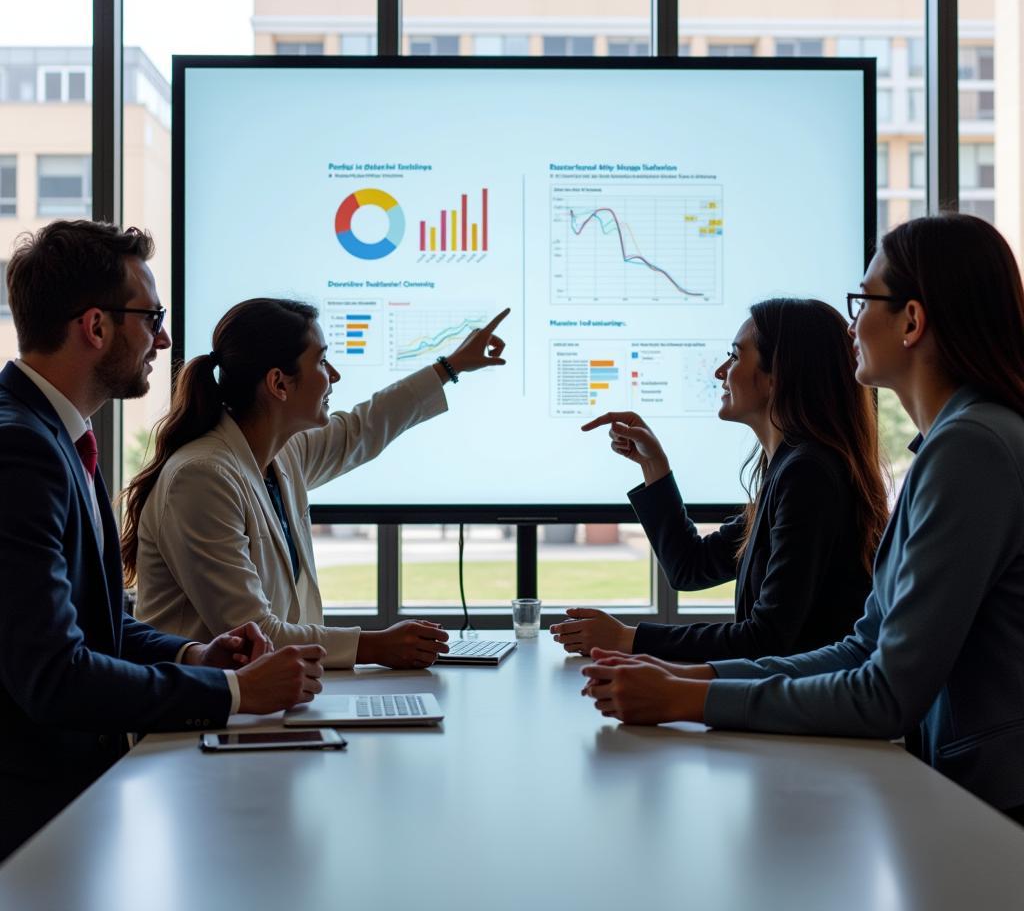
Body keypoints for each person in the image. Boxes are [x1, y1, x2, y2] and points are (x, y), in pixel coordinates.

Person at [582, 213, 1024, 822]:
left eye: (864, 300)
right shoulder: (951, 446)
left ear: (913, 321)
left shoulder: (969, 448)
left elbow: (885, 693)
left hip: (995, 807)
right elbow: (863, 646)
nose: (852, 324)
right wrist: (692, 677)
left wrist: (692, 694)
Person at [0, 221, 327, 862]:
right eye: (151, 318)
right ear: (95, 327)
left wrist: (196, 655)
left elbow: (101, 628)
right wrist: (233, 694)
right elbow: (53, 675)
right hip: (32, 831)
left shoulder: (60, 439)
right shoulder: (21, 449)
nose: (166, 339)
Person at [124, 300, 509, 670]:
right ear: (279, 383)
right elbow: (253, 636)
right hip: (197, 718)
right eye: (322, 361)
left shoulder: (281, 455)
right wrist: (376, 645)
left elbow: (366, 426)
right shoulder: (201, 478)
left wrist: (450, 366)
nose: (335, 376)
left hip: (262, 702)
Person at [551, 298, 887, 663]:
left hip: (810, 715)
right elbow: (689, 566)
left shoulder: (808, 475)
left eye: (735, 356)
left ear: (778, 376)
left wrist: (627, 639)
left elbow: (766, 638)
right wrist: (654, 465)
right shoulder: (793, 469)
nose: (720, 371)